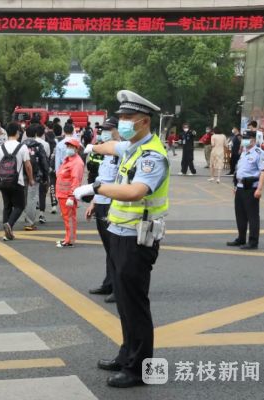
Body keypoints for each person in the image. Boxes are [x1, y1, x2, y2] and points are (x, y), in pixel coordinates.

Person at [76, 90, 169, 388]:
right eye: (121, 118)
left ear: (144, 121)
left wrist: (96, 188)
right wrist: (91, 145)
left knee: (135, 304)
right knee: (124, 303)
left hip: (137, 239)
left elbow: (135, 191)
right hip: (120, 233)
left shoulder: (152, 155)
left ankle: (139, 369)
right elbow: (112, 145)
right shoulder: (132, 146)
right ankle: (127, 354)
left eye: (128, 118)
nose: (123, 123)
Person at [86, 117, 121, 303]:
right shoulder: (106, 151)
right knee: (108, 247)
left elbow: (120, 181)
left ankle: (119, 287)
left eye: (109, 129)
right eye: (103, 129)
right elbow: (101, 179)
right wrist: (93, 201)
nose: (105, 133)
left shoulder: (122, 151)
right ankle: (109, 283)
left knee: (115, 248)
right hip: (101, 201)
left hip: (113, 203)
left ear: (117, 130)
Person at [226, 130, 264, 250]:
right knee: (240, 215)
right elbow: (239, 170)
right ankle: (241, 238)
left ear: (253, 140)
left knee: (252, 216)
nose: (243, 141)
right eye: (243, 138)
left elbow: (263, 172)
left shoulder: (259, 153)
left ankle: (253, 242)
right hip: (240, 187)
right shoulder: (244, 151)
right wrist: (236, 186)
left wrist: (259, 189)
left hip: (251, 188)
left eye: (246, 138)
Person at [0, 122, 34, 241]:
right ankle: (9, 224)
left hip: (3, 180)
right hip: (17, 181)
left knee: (7, 206)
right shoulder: (22, 147)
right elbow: (28, 165)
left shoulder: (1, 147)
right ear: (17, 133)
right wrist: (31, 179)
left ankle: (6, 232)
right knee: (19, 206)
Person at [55, 137, 84, 247]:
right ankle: (68, 237)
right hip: (63, 194)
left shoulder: (77, 163)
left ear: (76, 149)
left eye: (71, 147)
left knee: (69, 218)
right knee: (67, 218)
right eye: (67, 146)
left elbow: (76, 180)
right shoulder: (68, 159)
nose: (68, 148)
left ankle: (69, 240)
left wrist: (71, 196)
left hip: (68, 195)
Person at [22, 123, 49, 231]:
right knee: (32, 198)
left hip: (22, 175)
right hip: (35, 176)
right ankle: (30, 222)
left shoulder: (21, 145)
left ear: (26, 133)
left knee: (24, 197)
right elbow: (44, 162)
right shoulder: (38, 145)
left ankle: (26, 216)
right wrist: (45, 177)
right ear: (36, 134)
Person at [35, 125, 51, 223]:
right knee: (42, 193)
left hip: (32, 172)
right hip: (42, 171)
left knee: (31, 195)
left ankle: (29, 215)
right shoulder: (45, 144)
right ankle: (41, 214)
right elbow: (47, 157)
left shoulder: (29, 143)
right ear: (43, 134)